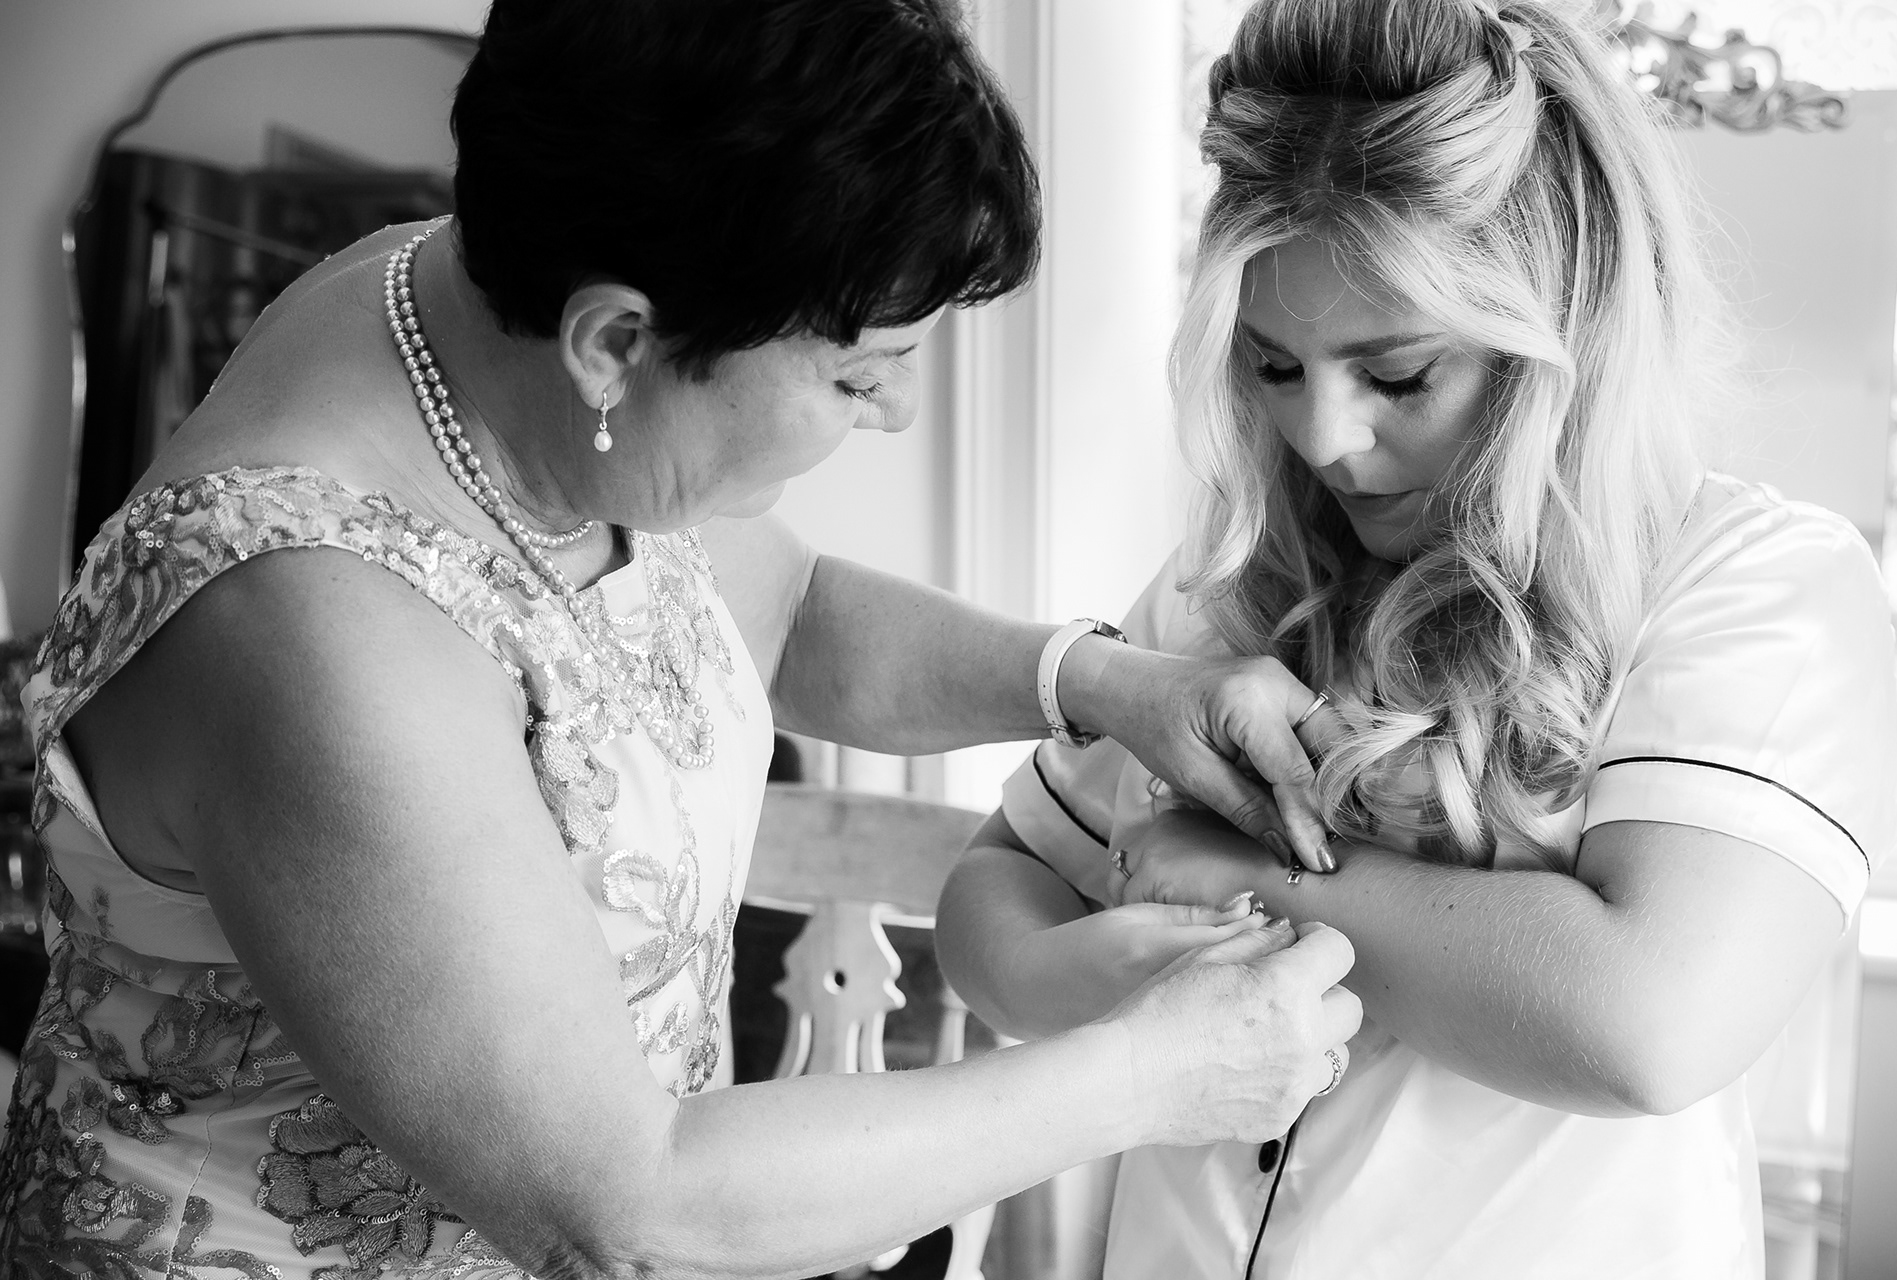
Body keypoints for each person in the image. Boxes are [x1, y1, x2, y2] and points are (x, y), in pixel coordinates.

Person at [0, 2, 1366, 1276]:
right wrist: (1150, 1074)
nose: (897, 410)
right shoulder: (318, 638)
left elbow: (782, 616)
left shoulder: (488, 325)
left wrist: (1107, 682)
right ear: (615, 343)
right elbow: (626, 1203)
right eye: (860, 372)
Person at [934, 1, 1897, 1276]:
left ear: (1565, 329)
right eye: (1274, 366)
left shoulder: (1757, 588)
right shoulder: (1240, 581)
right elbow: (992, 892)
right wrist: (1100, 986)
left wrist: (1233, 876)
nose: (1322, 438)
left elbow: (1644, 1022)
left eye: (1397, 375)